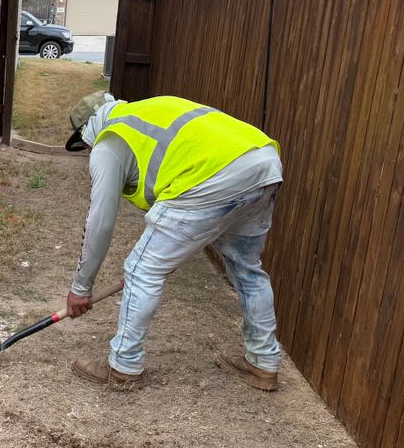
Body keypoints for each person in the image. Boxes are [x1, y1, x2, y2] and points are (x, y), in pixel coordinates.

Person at [66, 93, 284, 391]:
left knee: (142, 270)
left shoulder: (111, 139)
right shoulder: (149, 113)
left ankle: (123, 367)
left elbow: (100, 221)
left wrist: (81, 288)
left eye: (85, 145)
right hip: (263, 162)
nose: (88, 151)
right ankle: (263, 363)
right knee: (247, 268)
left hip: (216, 174)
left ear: (87, 129)